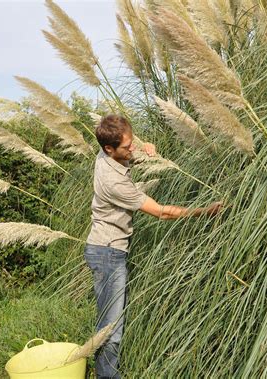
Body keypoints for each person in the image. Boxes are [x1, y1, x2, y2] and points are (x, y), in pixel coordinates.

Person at [84, 114, 223, 378]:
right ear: (108, 149)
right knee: (111, 327)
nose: (131, 149)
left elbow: (128, 157)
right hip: (108, 254)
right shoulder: (113, 182)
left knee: (111, 322)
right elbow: (161, 213)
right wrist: (204, 211)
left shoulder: (106, 155)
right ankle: (108, 376)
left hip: (106, 250)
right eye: (127, 147)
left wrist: (146, 154)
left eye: (132, 143)